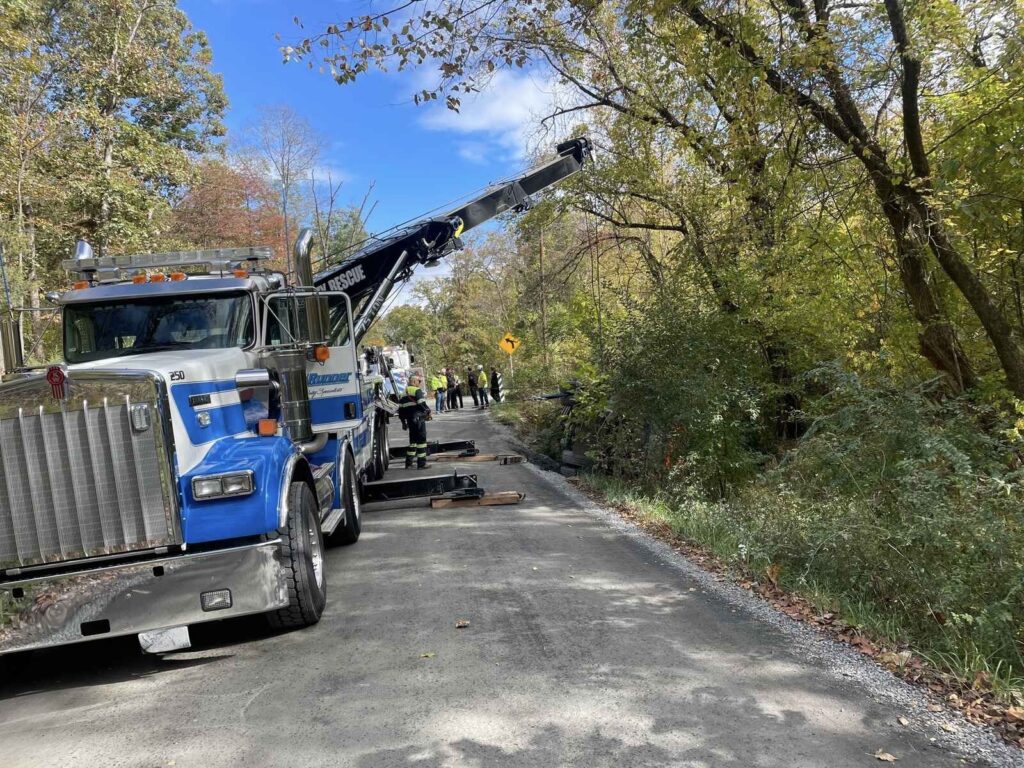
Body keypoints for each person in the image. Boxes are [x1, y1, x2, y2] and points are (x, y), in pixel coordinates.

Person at [398, 374, 431, 468]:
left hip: (410, 420)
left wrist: (403, 423)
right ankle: (421, 463)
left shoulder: (402, 393)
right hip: (419, 419)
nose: (419, 383)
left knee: (412, 441)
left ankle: (408, 463)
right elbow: (421, 403)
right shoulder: (417, 390)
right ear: (413, 382)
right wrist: (428, 411)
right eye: (418, 381)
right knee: (421, 441)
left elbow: (400, 411)